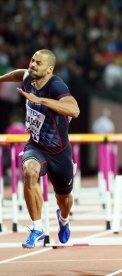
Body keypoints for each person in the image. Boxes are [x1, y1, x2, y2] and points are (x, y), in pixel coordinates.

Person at [0, 49, 80, 248]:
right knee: (29, 171)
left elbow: (74, 110)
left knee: (65, 200)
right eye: (32, 60)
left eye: (38, 63)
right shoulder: (29, 77)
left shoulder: (56, 86)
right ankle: (37, 227)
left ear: (49, 69)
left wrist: (41, 100)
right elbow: (18, 73)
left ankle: (63, 220)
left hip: (59, 152)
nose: (33, 65)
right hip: (36, 146)